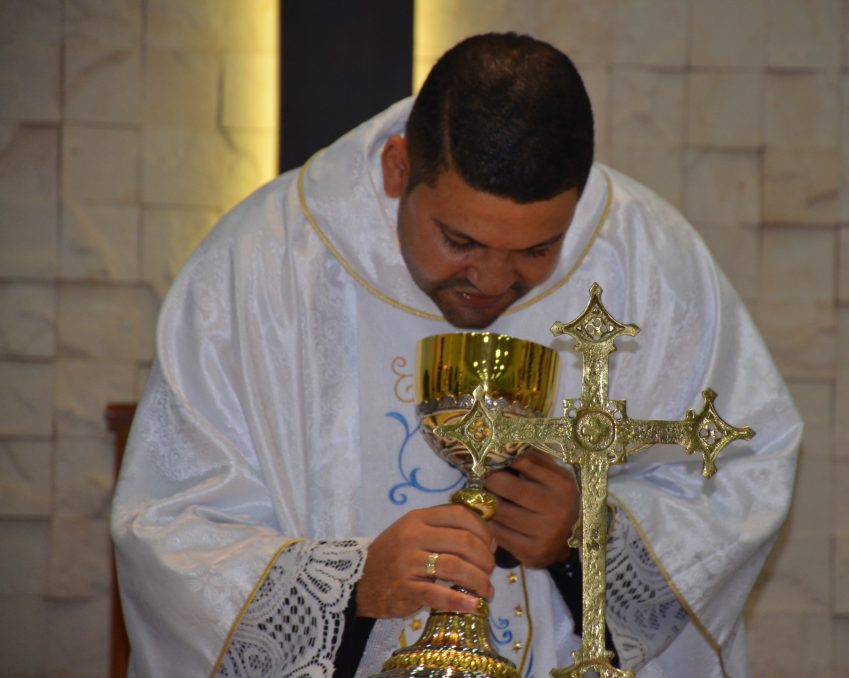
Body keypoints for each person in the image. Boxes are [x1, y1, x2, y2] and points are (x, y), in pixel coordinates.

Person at [111, 33, 801, 678]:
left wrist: (588, 540)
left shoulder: (648, 260)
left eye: (536, 250)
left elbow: (742, 469)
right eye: (460, 241)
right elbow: (170, 529)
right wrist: (349, 587)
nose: (492, 280)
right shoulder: (261, 267)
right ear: (398, 168)